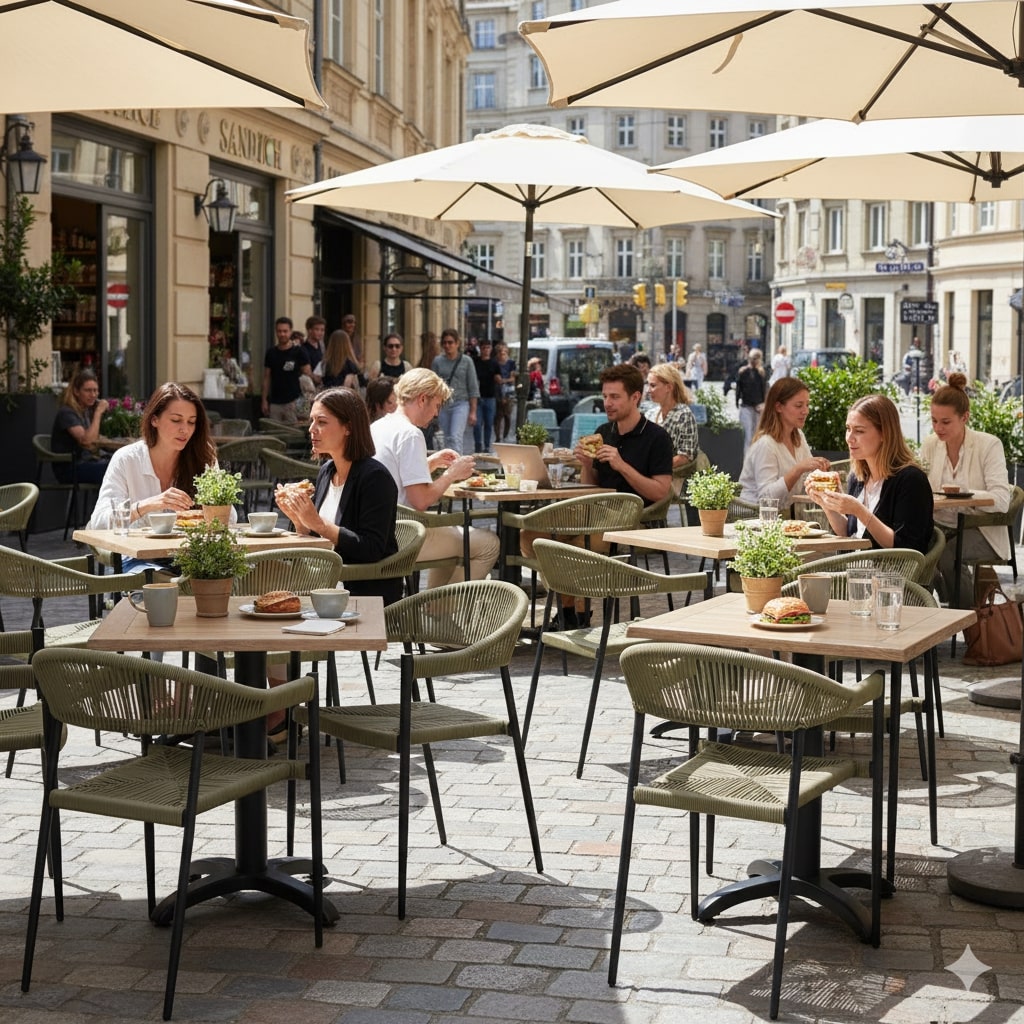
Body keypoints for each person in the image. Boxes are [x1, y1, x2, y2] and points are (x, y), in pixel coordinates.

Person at [529, 363, 672, 628]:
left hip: (634, 522)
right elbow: (591, 486)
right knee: (532, 536)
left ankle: (574, 615)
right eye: (605, 396)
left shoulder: (657, 437)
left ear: (635, 397)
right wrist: (586, 465)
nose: (607, 403)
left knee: (569, 549)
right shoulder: (605, 432)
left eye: (615, 397)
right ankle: (571, 613)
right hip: (595, 514)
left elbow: (661, 491)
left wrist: (621, 465)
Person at [370, 368, 499, 588]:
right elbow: (421, 500)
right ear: (422, 399)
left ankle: (436, 607)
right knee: (489, 544)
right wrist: (451, 474)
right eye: (437, 405)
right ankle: (440, 605)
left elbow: (394, 476)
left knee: (450, 535)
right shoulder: (410, 434)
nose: (437, 414)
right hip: (402, 535)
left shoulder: (379, 426)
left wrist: (431, 463)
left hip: (379, 529)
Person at [275, 387, 400, 604]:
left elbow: (371, 549)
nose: (311, 429)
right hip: (323, 584)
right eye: (312, 421)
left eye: (322, 422)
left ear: (348, 428)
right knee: (262, 577)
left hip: (360, 593)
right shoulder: (327, 471)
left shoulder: (375, 478)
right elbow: (318, 543)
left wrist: (319, 524)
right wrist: (299, 520)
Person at [89, 382, 230, 571]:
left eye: (191, 422)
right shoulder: (126, 459)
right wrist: (149, 505)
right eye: (176, 420)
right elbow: (99, 523)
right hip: (137, 559)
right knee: (159, 580)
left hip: (191, 557)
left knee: (243, 572)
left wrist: (212, 509)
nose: (185, 429)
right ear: (154, 420)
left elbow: (230, 519)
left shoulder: (203, 456)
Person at [919, 373, 1011, 605]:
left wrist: (963, 495)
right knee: (914, 552)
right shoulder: (930, 444)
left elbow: (1002, 500)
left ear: (965, 417)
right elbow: (922, 488)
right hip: (939, 525)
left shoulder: (988, 445)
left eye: (945, 422)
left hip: (979, 528)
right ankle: (927, 612)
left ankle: (966, 617)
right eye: (934, 421)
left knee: (947, 553)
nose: (938, 428)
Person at [808, 393, 933, 554]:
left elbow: (905, 549)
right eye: (848, 429)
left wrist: (859, 510)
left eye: (859, 431)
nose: (849, 438)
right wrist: (827, 504)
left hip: (890, 569)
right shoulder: (858, 477)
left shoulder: (911, 480)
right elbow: (850, 534)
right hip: (854, 566)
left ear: (884, 434)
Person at [739, 377, 832, 507]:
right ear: (778, 407)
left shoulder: (798, 436)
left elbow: (806, 479)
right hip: (752, 516)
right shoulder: (766, 444)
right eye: (799, 405)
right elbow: (766, 499)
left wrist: (821, 474)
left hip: (786, 515)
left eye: (807, 405)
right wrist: (798, 470)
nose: (805, 411)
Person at [50, 368, 110, 484]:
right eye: (88, 390)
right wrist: (98, 413)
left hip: (87, 462)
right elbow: (87, 442)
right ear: (76, 391)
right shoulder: (67, 412)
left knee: (122, 462)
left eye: (95, 390)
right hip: (70, 468)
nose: (93, 395)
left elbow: (94, 440)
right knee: (116, 468)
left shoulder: (85, 410)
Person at [431, 328, 479, 455]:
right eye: (445, 343)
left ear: (457, 343)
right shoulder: (438, 361)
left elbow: (473, 386)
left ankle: (457, 463)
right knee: (447, 438)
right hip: (443, 404)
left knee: (455, 436)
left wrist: (473, 411)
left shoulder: (467, 361)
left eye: (450, 342)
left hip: (460, 403)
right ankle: (449, 463)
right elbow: (433, 386)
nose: (447, 346)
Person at [645, 362, 698, 469]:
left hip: (674, 475)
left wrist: (656, 468)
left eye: (653, 385)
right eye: (648, 385)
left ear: (668, 387)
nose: (648, 390)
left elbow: (685, 456)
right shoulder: (650, 414)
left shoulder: (684, 415)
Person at [262, 316, 312, 424]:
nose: (282, 334)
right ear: (276, 332)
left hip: (295, 401)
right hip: (275, 402)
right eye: (279, 331)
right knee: (275, 431)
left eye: (285, 331)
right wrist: (264, 400)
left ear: (290, 332)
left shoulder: (299, 351)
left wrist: (304, 405)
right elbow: (266, 377)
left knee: (295, 431)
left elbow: (307, 375)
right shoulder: (271, 353)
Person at [471, 338, 502, 453]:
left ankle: (487, 445)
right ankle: (478, 445)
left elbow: (499, 378)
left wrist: (499, 379)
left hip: (490, 396)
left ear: (491, 349)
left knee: (489, 423)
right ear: (480, 349)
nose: (486, 350)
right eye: (484, 348)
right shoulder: (475, 362)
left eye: (488, 348)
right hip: (478, 397)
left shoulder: (494, 363)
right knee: (477, 424)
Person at [735, 348, 768, 453]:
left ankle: (754, 458)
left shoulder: (761, 372)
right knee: (749, 435)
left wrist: (764, 404)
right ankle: (748, 459)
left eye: (756, 358)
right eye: (753, 358)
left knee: (756, 435)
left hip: (757, 407)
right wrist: (737, 401)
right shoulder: (743, 372)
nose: (754, 360)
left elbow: (764, 390)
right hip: (748, 406)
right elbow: (739, 388)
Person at [494, 341, 517, 442]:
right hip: (497, 392)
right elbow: (495, 378)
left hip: (509, 392)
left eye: (504, 351)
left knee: (507, 415)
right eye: (500, 351)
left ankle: (505, 436)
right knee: (498, 416)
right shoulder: (494, 363)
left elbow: (512, 378)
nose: (502, 353)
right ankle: (498, 437)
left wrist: (503, 381)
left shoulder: (511, 363)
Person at [300, 316, 327, 382]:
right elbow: (307, 373)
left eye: (322, 330)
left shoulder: (322, 347)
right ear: (309, 330)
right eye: (317, 329)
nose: (320, 333)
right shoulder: (303, 349)